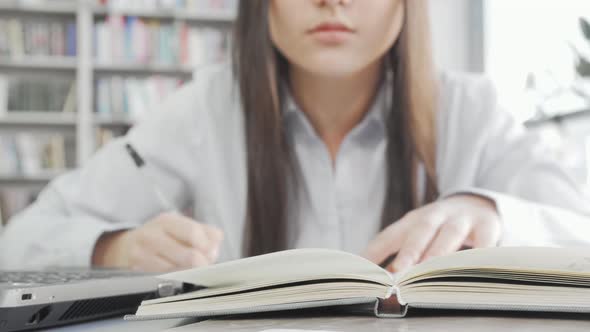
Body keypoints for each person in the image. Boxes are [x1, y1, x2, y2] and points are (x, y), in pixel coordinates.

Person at [1, 0, 589, 273]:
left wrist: (488, 211)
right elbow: (21, 239)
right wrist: (117, 247)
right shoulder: (202, 109)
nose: (332, 1)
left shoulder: (470, 109)